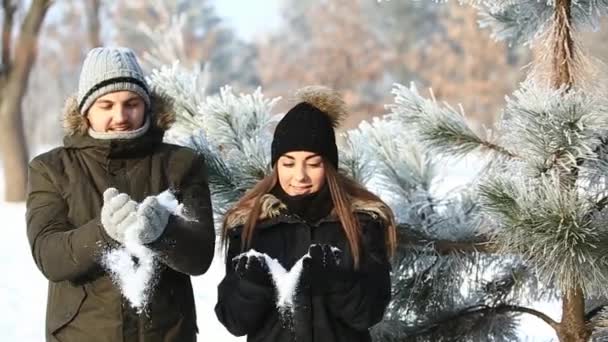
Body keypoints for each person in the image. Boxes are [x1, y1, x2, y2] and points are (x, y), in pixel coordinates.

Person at [26, 46, 215, 342]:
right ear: (86, 110)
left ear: (147, 106)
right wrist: (104, 233)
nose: (120, 116)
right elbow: (50, 256)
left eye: (131, 103)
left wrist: (164, 233)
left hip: (167, 333)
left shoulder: (182, 164)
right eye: (106, 105)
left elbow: (200, 257)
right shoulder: (51, 168)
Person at [214, 86, 397, 342]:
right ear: (276, 166)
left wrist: (336, 282)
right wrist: (252, 286)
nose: (300, 175)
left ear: (329, 166)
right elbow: (234, 322)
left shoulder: (361, 223)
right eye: (288, 163)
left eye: (313, 163)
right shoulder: (251, 225)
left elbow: (368, 314)